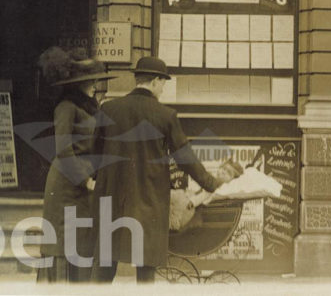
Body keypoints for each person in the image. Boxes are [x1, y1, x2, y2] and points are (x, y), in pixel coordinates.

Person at [91, 56, 231, 284]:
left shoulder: (109, 109)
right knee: (146, 268)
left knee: (105, 266)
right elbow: (185, 157)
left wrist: (97, 178)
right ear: (155, 81)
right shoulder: (166, 115)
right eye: (163, 82)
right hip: (149, 200)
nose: (163, 88)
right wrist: (212, 183)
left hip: (112, 198)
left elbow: (93, 153)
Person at [36, 54, 116, 283]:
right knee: (63, 243)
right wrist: (85, 180)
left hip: (83, 187)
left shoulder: (91, 108)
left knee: (81, 243)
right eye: (91, 81)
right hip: (65, 185)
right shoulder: (66, 107)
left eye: (96, 81)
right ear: (77, 84)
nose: (95, 86)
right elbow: (63, 149)